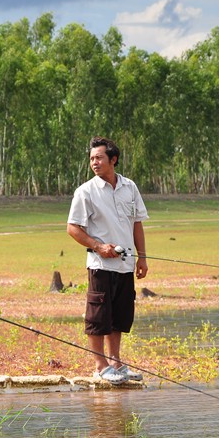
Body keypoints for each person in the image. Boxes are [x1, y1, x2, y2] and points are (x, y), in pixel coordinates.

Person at [67, 136, 149, 384]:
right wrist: (98, 246)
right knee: (98, 316)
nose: (94, 162)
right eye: (92, 158)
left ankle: (116, 362)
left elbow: (137, 224)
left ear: (113, 159)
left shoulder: (130, 187)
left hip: (125, 266)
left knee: (119, 316)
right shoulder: (85, 192)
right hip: (100, 266)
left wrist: (142, 258)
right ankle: (101, 366)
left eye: (99, 157)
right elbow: (73, 228)